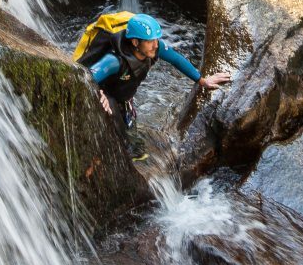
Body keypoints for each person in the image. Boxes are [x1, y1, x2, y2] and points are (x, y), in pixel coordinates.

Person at [80, 13, 230, 160]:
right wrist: (99, 93)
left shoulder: (153, 49)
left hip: (125, 98)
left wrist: (202, 81)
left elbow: (176, 59)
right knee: (121, 140)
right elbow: (86, 77)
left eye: (156, 40)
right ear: (135, 42)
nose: (155, 45)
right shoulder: (113, 60)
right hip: (108, 97)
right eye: (150, 41)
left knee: (132, 137)